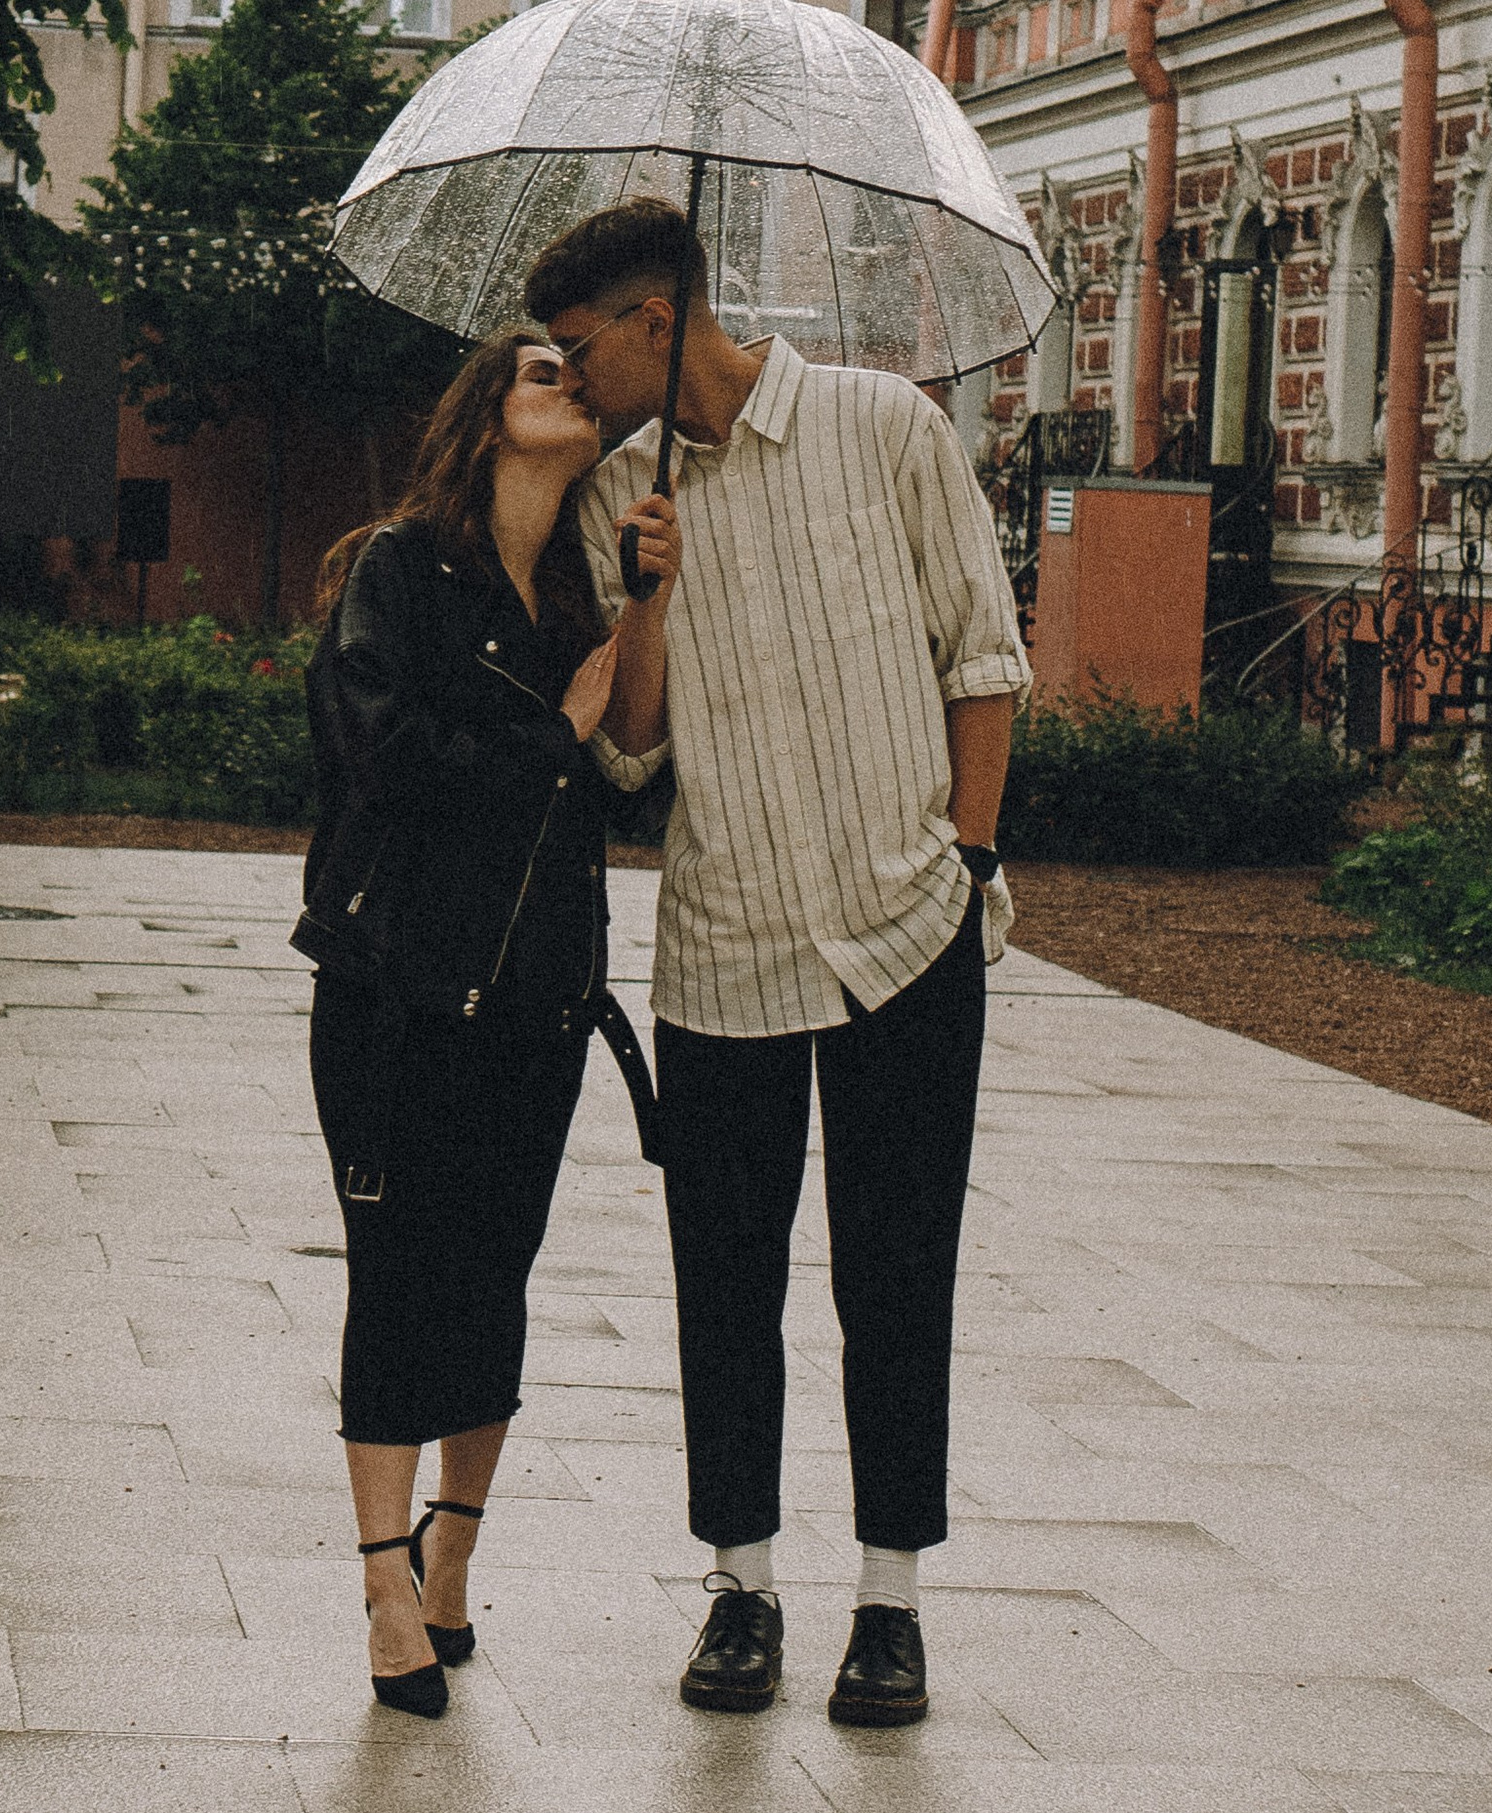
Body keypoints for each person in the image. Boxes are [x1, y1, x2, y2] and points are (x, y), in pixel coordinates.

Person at [525, 194, 1028, 1730]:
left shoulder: (883, 429)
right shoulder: (620, 497)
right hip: (727, 942)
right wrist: (654, 589)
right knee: (725, 1280)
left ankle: (893, 1604)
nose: (563, 371)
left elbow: (984, 658)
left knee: (898, 1277)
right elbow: (629, 752)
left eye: (577, 344)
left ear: (655, 319)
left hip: (907, 933)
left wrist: (971, 867)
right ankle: (741, 1589)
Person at [296, 324, 671, 1717]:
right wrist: (546, 737)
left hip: (539, 992)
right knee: (398, 1272)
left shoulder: (584, 595)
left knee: (495, 1272)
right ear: (482, 415)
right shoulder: (401, 568)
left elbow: (629, 769)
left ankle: (455, 1553)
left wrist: (653, 603)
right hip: (398, 983)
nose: (566, 379)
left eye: (575, 372)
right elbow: (380, 756)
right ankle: (385, 1583)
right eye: (536, 370)